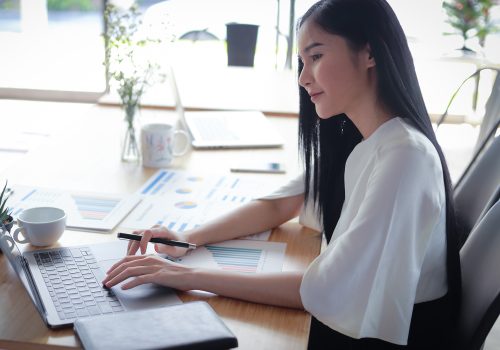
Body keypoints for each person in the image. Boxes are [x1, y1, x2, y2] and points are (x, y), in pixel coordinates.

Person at [103, 0, 461, 348]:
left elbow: (326, 291)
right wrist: (185, 241)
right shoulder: (365, 139)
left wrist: (184, 277)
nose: (304, 78)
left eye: (316, 56)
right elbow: (280, 206)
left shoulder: (405, 156)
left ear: (369, 53)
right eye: (301, 62)